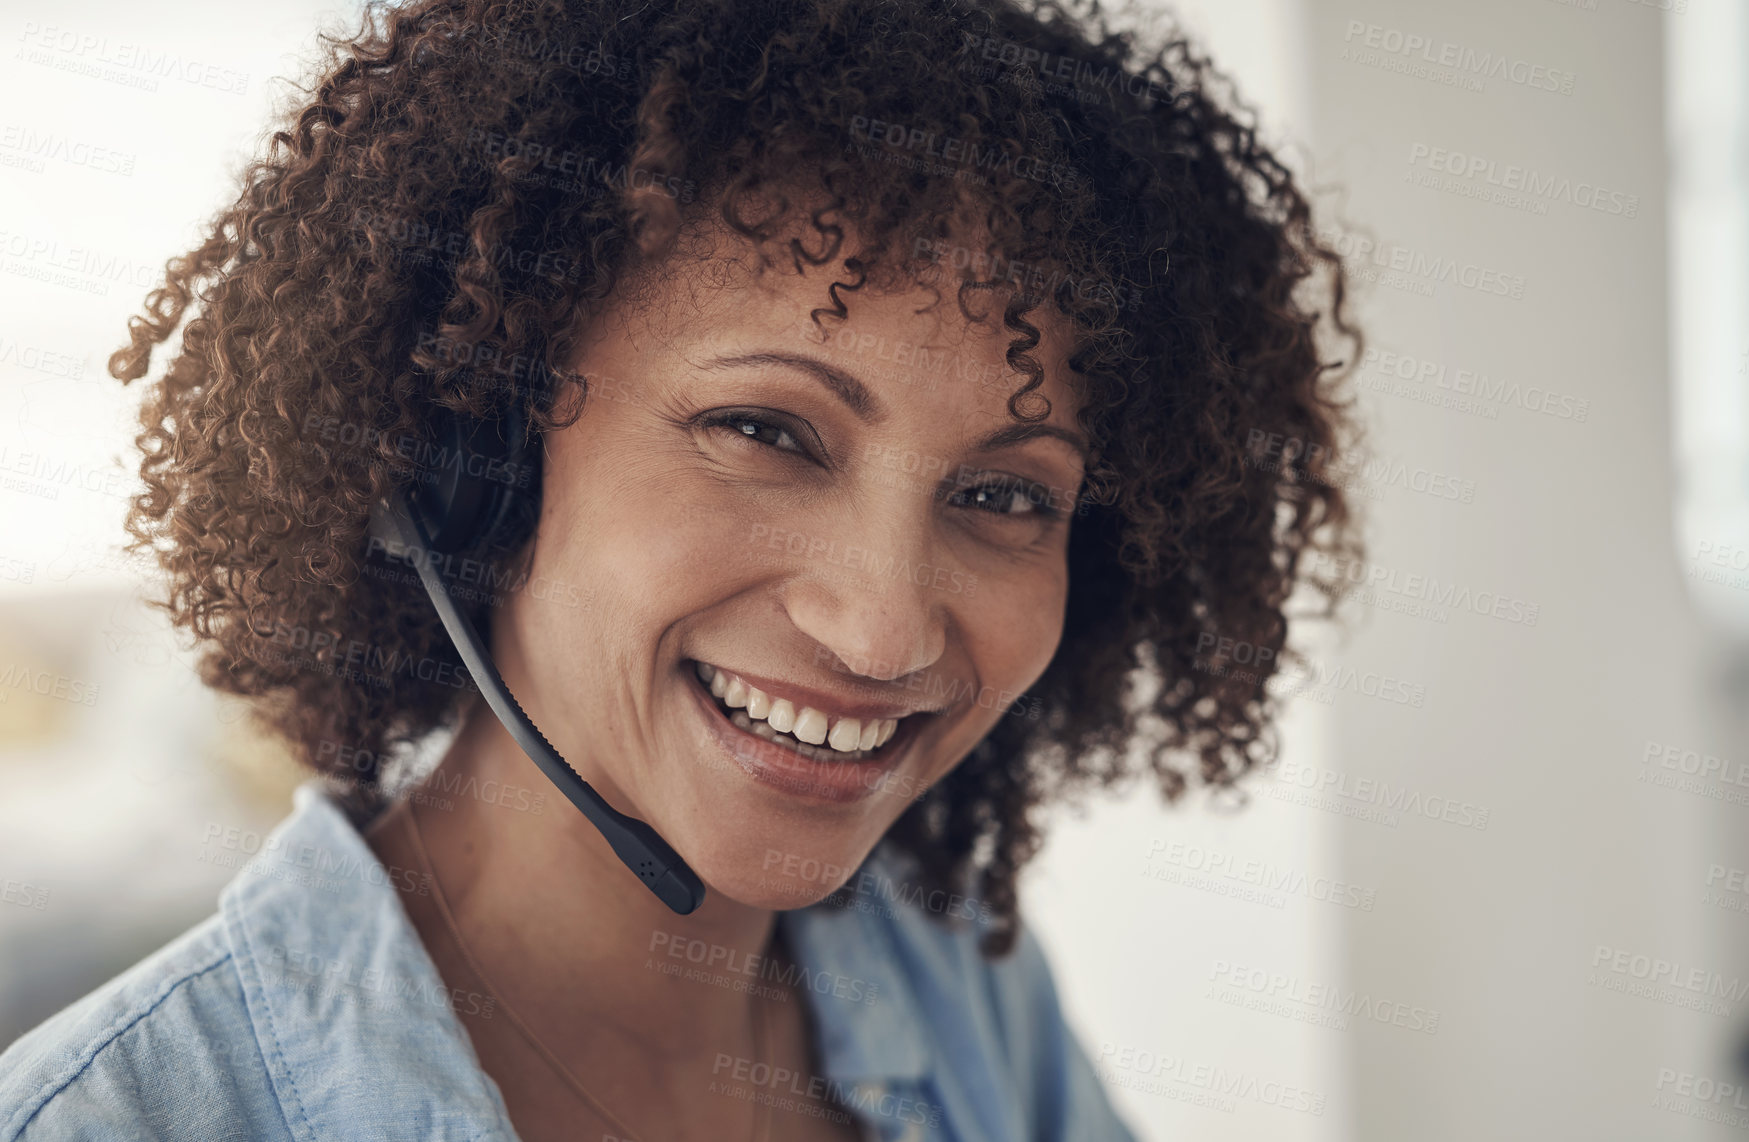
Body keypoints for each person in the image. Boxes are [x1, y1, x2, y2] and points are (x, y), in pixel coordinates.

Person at [0, 0, 1362, 1138]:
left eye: (1003, 493)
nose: (883, 628)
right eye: (764, 431)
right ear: (474, 455)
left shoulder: (965, 1001)